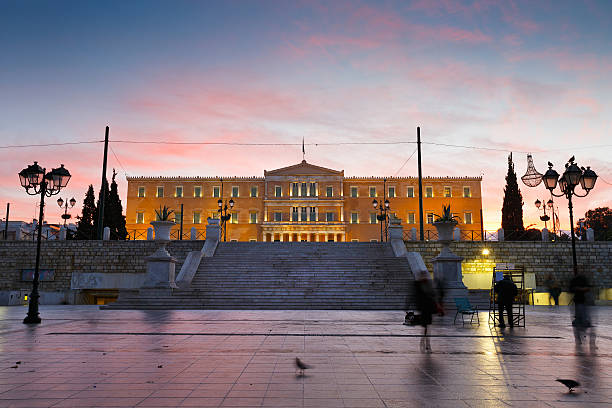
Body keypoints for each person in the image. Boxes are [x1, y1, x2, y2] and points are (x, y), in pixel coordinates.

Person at [569, 272, 595, 350]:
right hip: (579, 302)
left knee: (583, 319)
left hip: (583, 302)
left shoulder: (581, 280)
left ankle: (581, 337)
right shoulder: (576, 280)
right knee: (581, 319)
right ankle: (580, 337)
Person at [415, 272, 436, 352]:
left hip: (429, 308)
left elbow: (433, 294)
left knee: (428, 326)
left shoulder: (428, 284)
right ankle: (424, 341)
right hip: (423, 309)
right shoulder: (417, 285)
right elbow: (415, 296)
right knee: (425, 326)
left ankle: (427, 342)